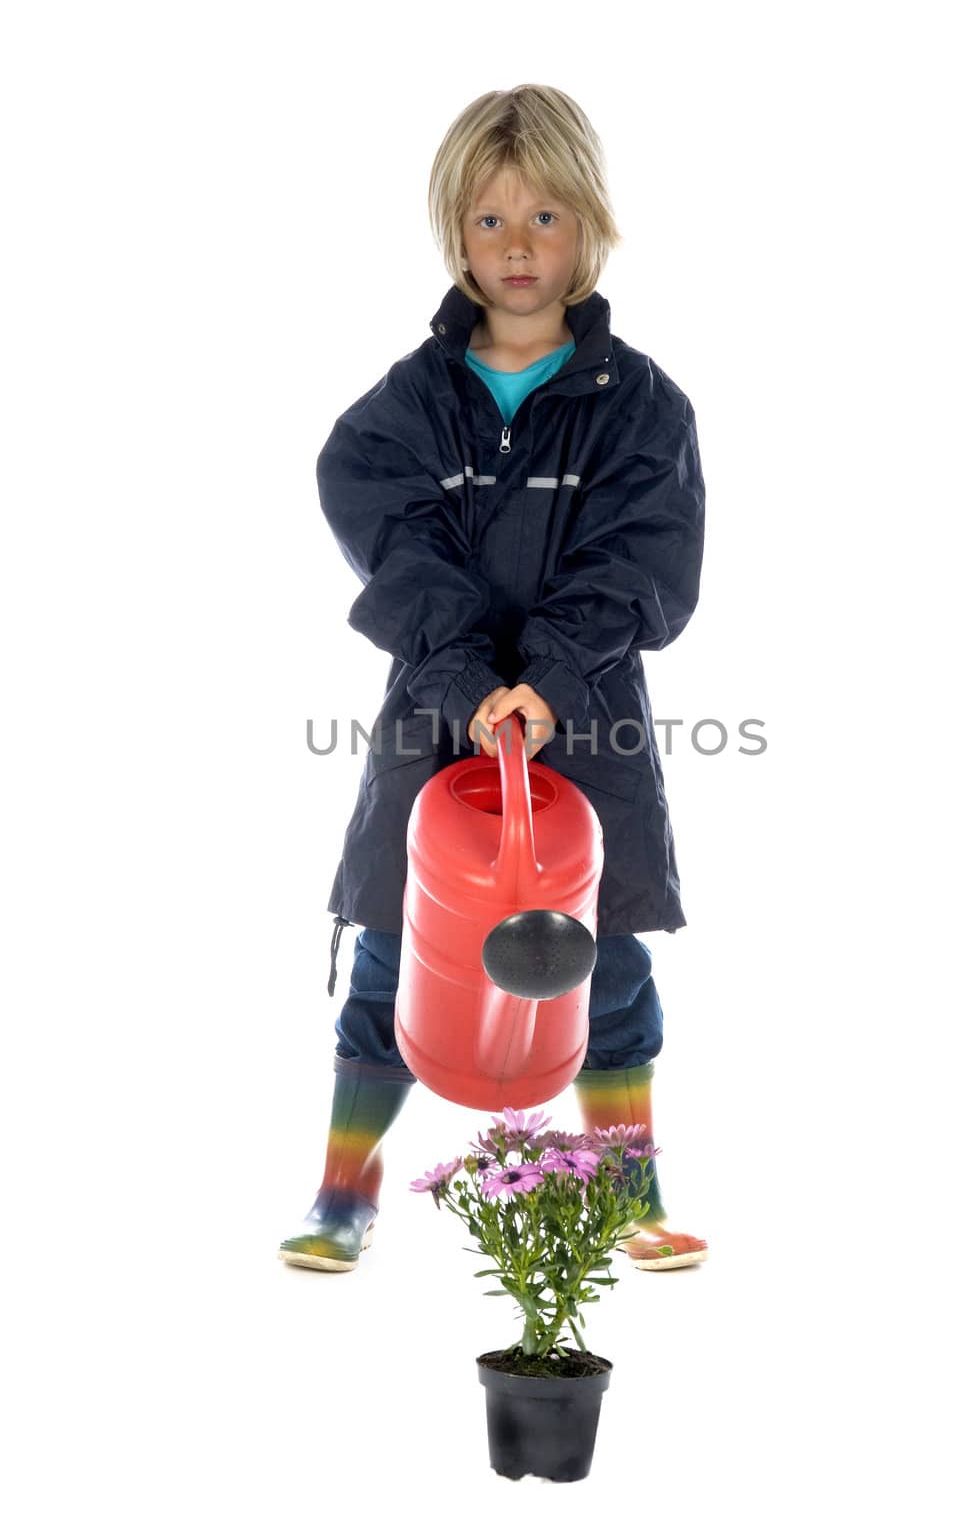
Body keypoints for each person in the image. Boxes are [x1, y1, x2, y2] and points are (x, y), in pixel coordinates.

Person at [279, 84, 708, 1275]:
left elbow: (647, 557)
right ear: (452, 233)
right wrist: (468, 672)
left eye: (547, 219)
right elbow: (392, 536)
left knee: (607, 953)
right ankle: (343, 1195)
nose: (518, 249)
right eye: (489, 222)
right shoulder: (408, 408)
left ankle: (630, 1193)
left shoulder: (641, 408)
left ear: (592, 229)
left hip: (589, 727)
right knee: (387, 946)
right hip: (437, 722)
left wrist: (555, 676)